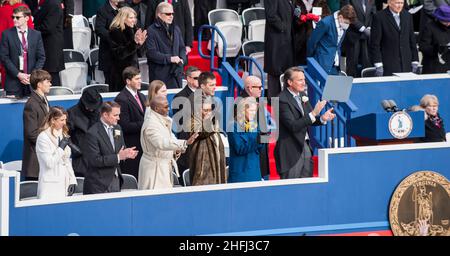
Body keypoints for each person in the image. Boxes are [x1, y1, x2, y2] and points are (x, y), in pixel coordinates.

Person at [274, 67, 335, 179]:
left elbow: (308, 119)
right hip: (290, 150)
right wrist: (314, 113)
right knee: (291, 186)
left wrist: (322, 118)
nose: (304, 83)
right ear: (289, 82)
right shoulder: (281, 99)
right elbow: (293, 126)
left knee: (307, 184)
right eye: (300, 80)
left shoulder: (302, 95)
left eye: (304, 79)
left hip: (305, 145)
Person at [138, 95, 198, 190]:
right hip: (154, 170)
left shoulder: (164, 120)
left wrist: (177, 149)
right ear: (157, 108)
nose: (168, 109)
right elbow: (161, 143)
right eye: (166, 107)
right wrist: (184, 143)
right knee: (153, 200)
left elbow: (171, 138)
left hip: (164, 167)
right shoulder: (151, 124)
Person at [83, 101, 139, 194]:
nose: (119, 118)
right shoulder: (92, 133)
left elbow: (121, 148)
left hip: (116, 180)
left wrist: (126, 153)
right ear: (105, 114)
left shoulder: (117, 128)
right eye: (115, 115)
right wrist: (118, 157)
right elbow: (95, 160)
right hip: (99, 184)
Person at [0, 5, 45, 98]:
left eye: (17, 17)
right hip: (13, 82)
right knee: (13, 112)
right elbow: (4, 58)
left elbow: (41, 57)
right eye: (13, 17)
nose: (14, 19)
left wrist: (32, 76)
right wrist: (19, 74)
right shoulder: (6, 34)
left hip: (32, 83)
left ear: (26, 18)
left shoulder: (36, 35)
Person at [36, 106, 77, 200]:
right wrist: (61, 148)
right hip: (50, 186)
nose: (64, 123)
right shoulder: (43, 137)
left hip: (64, 183)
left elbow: (66, 161)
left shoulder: (63, 135)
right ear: (53, 120)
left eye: (65, 120)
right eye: (62, 120)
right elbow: (49, 163)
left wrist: (72, 180)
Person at [238, 76, 275, 180]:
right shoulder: (240, 103)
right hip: (251, 155)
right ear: (249, 88)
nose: (261, 89)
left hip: (261, 149)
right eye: (259, 87)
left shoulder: (257, 101)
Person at [370, 0, 419, 76]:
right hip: (388, 63)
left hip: (406, 63)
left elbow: (412, 39)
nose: (399, 6)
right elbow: (375, 43)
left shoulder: (408, 16)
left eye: (401, 3)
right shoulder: (379, 17)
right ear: (389, 3)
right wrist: (378, 64)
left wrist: (415, 60)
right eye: (397, 3)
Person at [114, 66, 146, 180]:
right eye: (137, 79)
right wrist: (145, 123)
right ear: (128, 81)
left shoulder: (142, 96)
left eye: (140, 78)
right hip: (132, 146)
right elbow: (124, 126)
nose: (140, 81)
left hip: (144, 146)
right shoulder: (121, 99)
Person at [307, 4, 357, 75]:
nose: (347, 25)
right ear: (340, 17)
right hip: (321, 63)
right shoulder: (326, 23)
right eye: (346, 23)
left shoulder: (343, 24)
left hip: (335, 64)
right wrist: (311, 60)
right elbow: (312, 41)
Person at [146, 2, 186, 89]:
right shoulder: (151, 30)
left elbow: (182, 47)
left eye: (172, 13)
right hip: (160, 76)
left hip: (176, 73)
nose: (171, 16)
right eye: (168, 14)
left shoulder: (176, 29)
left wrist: (182, 59)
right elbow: (151, 53)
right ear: (159, 15)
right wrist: (170, 58)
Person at [189, 95, 227, 185]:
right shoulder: (192, 122)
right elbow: (202, 132)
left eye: (210, 110)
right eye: (205, 110)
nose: (208, 113)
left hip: (217, 168)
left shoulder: (213, 122)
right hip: (202, 170)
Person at [109, 6, 147, 92]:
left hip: (133, 71)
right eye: (131, 17)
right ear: (123, 18)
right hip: (121, 74)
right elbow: (119, 54)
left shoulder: (134, 30)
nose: (134, 20)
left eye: (134, 17)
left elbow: (139, 53)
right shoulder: (115, 32)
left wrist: (140, 44)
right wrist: (134, 43)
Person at [67, 88, 103, 177]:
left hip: (100, 158)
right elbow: (65, 135)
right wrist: (75, 149)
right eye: (89, 106)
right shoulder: (72, 113)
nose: (91, 109)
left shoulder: (101, 111)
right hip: (81, 160)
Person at [22, 69, 51, 180]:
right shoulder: (31, 105)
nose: (50, 84)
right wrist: (49, 141)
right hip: (35, 163)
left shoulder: (44, 99)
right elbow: (31, 133)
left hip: (44, 159)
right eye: (47, 81)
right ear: (39, 84)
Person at [0, 0, 35, 90]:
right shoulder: (24, 8)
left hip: (9, 54)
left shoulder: (3, 10)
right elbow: (31, 32)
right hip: (26, 54)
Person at [228, 97, 263, 183]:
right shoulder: (233, 126)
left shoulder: (255, 125)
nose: (253, 113)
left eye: (255, 111)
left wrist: (263, 139)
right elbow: (240, 149)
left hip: (254, 171)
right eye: (251, 111)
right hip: (241, 173)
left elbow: (259, 149)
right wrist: (256, 139)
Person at [264, 0, 295, 98]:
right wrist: (283, 27)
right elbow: (271, 15)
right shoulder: (328, 24)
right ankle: (274, 102)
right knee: (275, 70)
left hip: (287, 40)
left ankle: (284, 100)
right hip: (277, 40)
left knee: (286, 71)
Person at [340, 0, 376, 77]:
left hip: (366, 36)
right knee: (352, 64)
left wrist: (369, 28)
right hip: (353, 35)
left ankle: (367, 85)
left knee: (367, 64)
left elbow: (373, 14)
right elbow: (348, 15)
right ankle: (351, 86)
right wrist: (363, 29)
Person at [33, 0, 64, 86]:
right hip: (47, 45)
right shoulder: (47, 3)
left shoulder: (53, 3)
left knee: (52, 78)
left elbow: (48, 27)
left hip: (51, 47)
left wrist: (32, 29)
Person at [96, 0, 125, 87]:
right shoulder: (103, 10)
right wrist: (115, 36)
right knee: (111, 85)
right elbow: (99, 29)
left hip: (124, 56)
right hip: (109, 55)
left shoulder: (125, 8)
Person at [293, 0, 331, 66]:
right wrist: (299, 19)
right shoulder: (297, 2)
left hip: (316, 40)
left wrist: (318, 18)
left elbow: (328, 17)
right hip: (300, 41)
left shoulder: (321, 2)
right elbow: (294, 17)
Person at [419, 5, 450, 74]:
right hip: (433, 66)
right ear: (439, 18)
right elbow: (423, 46)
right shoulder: (429, 27)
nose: (448, 23)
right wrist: (438, 48)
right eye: (445, 21)